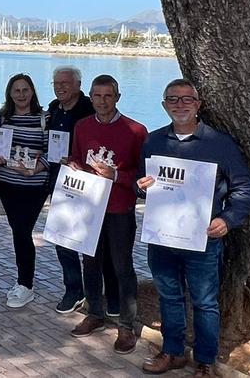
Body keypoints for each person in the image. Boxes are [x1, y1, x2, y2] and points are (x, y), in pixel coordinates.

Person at [138, 79, 250, 377]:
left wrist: (227, 220)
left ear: (198, 104)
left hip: (202, 238)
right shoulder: (153, 142)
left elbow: (244, 188)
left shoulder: (219, 143)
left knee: (204, 302)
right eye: (173, 99)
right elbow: (144, 184)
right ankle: (173, 352)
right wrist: (141, 188)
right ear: (164, 105)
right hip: (163, 237)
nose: (180, 104)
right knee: (169, 296)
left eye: (187, 99)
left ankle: (205, 360)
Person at [67, 74, 147, 354]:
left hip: (119, 208)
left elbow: (143, 174)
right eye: (97, 96)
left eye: (108, 96)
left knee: (122, 267)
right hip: (90, 206)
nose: (102, 101)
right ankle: (96, 312)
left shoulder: (136, 130)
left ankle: (126, 325)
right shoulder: (82, 126)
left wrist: (116, 175)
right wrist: (73, 166)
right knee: (90, 261)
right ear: (90, 97)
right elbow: (76, 156)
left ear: (117, 97)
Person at [0, 73, 51, 308]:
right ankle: (24, 282)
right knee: (18, 230)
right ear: (10, 93)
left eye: (25, 90)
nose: (21, 95)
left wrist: (35, 170)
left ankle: (25, 283)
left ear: (32, 92)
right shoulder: (4, 117)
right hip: (7, 183)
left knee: (23, 230)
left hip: (34, 185)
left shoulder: (44, 118)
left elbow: (53, 152)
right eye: (16, 90)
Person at [46, 65, 101, 314]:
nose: (60, 87)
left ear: (79, 85)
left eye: (65, 83)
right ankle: (73, 289)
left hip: (88, 183)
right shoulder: (54, 108)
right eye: (56, 83)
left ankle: (95, 294)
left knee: (90, 242)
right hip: (60, 183)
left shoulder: (91, 110)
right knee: (63, 240)